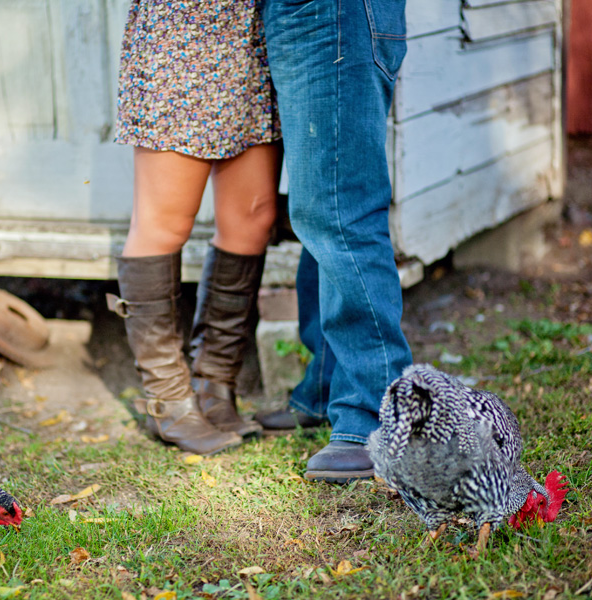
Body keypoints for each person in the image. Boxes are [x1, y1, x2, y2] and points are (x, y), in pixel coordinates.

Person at [106, 1, 282, 456]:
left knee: (253, 218)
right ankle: (168, 402)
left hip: (255, 34)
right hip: (185, 30)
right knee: (165, 222)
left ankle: (214, 384)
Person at [254, 0, 414, 482]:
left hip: (332, 13)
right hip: (313, 15)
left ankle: (375, 414)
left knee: (341, 209)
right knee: (320, 205)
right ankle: (326, 385)